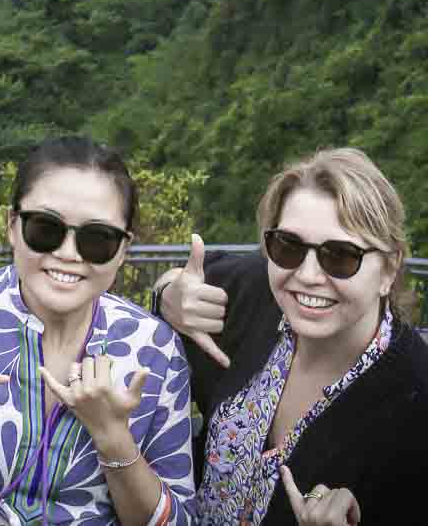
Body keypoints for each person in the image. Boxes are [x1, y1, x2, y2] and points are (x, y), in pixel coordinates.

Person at [0, 136, 195, 526]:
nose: (69, 254)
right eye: (45, 228)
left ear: (123, 249)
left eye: (97, 239)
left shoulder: (153, 350)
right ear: (12, 226)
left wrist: (111, 436)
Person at [153, 146, 428, 526]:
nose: (308, 275)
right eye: (288, 245)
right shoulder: (259, 292)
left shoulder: (415, 400)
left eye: (341, 255)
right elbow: (185, 282)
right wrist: (167, 296)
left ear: (389, 268)